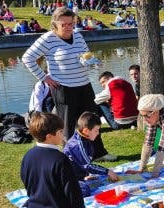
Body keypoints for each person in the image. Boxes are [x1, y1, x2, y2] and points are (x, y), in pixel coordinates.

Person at [22, 7, 116, 162]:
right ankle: (71, 157)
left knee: (92, 121)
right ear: (55, 24)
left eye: (71, 23)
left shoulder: (78, 36)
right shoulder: (47, 39)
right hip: (63, 88)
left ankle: (98, 153)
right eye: (64, 24)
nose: (68, 27)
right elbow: (27, 58)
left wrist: (90, 61)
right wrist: (44, 78)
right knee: (68, 125)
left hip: (84, 85)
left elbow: (86, 54)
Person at [16, 112, 87, 208]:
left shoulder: (28, 156)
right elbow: (72, 191)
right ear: (49, 136)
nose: (63, 134)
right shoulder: (60, 159)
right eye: (60, 131)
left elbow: (27, 183)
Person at [63, 112, 119, 197]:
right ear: (86, 130)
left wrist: (84, 175)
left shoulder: (84, 137)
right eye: (96, 130)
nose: (98, 133)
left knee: (93, 182)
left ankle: (80, 180)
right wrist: (108, 172)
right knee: (84, 190)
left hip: (78, 176)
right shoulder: (77, 145)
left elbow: (82, 163)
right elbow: (87, 165)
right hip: (68, 179)